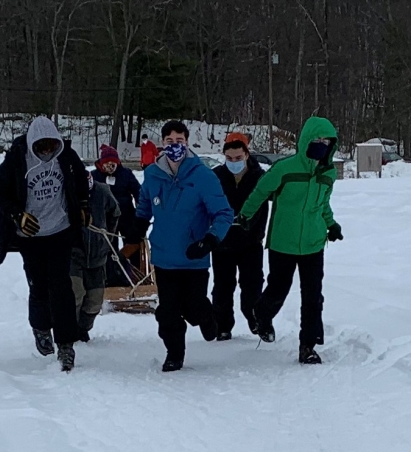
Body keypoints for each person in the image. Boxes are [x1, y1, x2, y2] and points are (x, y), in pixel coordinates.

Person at [124, 120, 234, 372]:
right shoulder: (152, 174)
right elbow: (144, 205)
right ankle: (175, 353)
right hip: (164, 257)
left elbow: (223, 213)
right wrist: (137, 227)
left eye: (180, 141)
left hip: (194, 255)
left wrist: (211, 238)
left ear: (187, 143)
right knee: (168, 312)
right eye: (169, 141)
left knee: (194, 307)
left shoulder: (203, 176)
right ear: (162, 144)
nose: (175, 146)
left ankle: (208, 319)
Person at [238, 116, 343, 365]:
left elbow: (322, 203)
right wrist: (246, 214)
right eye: (317, 140)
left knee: (313, 296)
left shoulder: (328, 172)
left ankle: (308, 345)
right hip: (282, 242)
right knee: (278, 289)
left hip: (313, 243)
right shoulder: (285, 168)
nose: (322, 145)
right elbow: (261, 190)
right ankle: (262, 314)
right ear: (306, 140)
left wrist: (331, 224)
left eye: (327, 141)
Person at [0, 116, 90, 372]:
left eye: (50, 146)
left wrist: (83, 206)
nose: (46, 152)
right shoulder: (16, 159)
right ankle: (41, 328)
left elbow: (81, 182)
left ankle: (66, 345)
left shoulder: (66, 156)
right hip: (30, 236)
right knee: (39, 286)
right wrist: (17, 215)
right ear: (32, 144)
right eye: (41, 147)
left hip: (60, 231)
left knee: (62, 287)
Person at [212, 133, 268, 341]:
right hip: (222, 243)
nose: (234, 162)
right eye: (230, 158)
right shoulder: (216, 176)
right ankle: (223, 325)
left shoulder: (259, 177)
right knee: (223, 287)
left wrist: (256, 231)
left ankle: (255, 319)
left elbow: (267, 204)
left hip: (250, 242)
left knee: (252, 286)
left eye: (238, 158)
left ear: (246, 154)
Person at [70, 172, 121, 342]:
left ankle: (83, 328)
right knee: (75, 293)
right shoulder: (66, 192)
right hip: (73, 255)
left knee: (94, 301)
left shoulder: (102, 191)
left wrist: (107, 238)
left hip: (97, 255)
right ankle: (69, 330)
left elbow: (115, 213)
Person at [91, 144, 141, 274]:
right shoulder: (94, 177)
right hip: (105, 219)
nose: (110, 167)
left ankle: (134, 273)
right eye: (107, 164)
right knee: (108, 248)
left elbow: (138, 192)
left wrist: (141, 209)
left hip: (127, 216)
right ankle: (110, 275)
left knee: (132, 245)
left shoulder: (126, 174)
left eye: (113, 164)